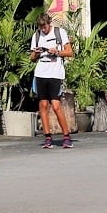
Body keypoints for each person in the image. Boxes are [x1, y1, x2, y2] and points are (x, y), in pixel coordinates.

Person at [31, 15, 74, 148]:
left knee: (55, 105)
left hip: (55, 73)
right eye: (41, 27)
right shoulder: (36, 36)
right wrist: (37, 52)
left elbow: (70, 52)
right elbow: (32, 58)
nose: (43, 29)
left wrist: (57, 52)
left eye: (45, 26)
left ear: (49, 23)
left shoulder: (59, 33)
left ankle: (66, 136)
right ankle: (47, 137)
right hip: (41, 72)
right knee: (43, 105)